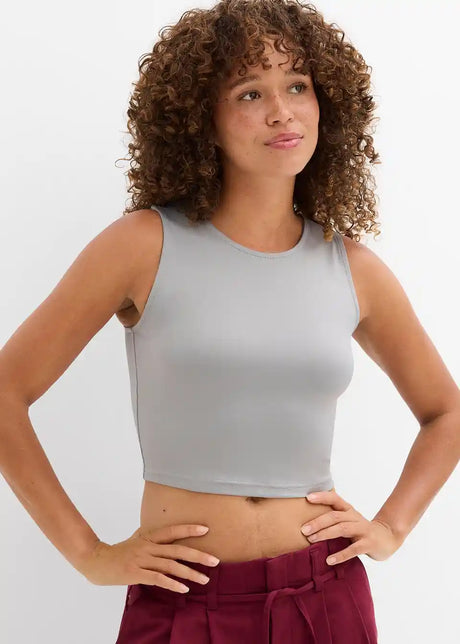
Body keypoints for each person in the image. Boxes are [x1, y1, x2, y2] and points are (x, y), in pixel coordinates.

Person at [0, 1, 458, 642]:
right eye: (250, 93)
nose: (282, 111)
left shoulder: (353, 268)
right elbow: (7, 390)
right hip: (182, 598)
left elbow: (446, 412)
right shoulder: (142, 245)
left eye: (297, 85)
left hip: (325, 595)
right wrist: (88, 554)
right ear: (202, 121)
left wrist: (390, 528)